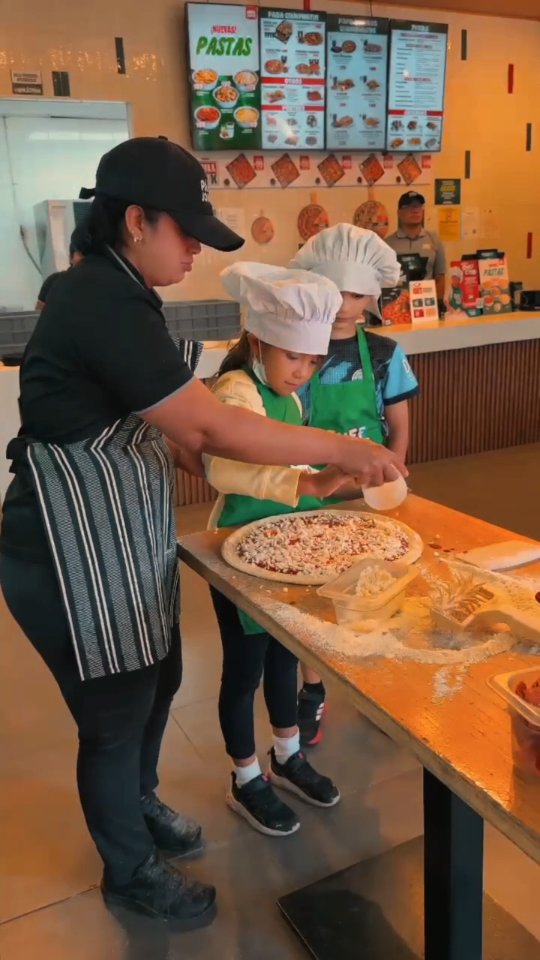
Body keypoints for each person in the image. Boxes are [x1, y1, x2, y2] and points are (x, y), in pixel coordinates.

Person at [0, 137, 407, 927]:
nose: (194, 249)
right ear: (135, 221)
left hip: (121, 536)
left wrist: (290, 477)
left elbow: (194, 444)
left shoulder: (125, 294)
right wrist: (341, 449)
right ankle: (129, 872)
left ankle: (140, 803)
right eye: (185, 232)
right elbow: (212, 429)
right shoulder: (100, 301)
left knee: (156, 679)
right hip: (71, 547)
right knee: (113, 716)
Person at [205, 262, 349, 837]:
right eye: (294, 358)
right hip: (237, 552)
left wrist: (325, 474)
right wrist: (308, 482)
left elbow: (291, 456)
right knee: (243, 672)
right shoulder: (236, 390)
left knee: (285, 657)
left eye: (313, 362)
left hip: (285, 547)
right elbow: (227, 467)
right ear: (259, 341)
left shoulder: (289, 392)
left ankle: (287, 755)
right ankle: (245, 779)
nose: (302, 372)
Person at [290, 224, 420, 746]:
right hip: (312, 494)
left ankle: (377, 685)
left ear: (373, 296)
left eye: (357, 294)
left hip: (372, 496)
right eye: (334, 292)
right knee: (315, 603)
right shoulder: (297, 351)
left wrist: (394, 470)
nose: (344, 306)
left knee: (379, 592)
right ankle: (313, 689)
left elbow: (399, 421)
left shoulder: (385, 353)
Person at [385, 191, 447, 303]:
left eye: (419, 206)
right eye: (409, 206)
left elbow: (440, 277)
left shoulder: (434, 240)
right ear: (399, 213)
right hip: (398, 306)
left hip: (426, 304)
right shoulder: (387, 244)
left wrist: (439, 304)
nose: (415, 210)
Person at [35, 220, 89, 310]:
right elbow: (38, 314)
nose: (86, 259)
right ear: (71, 257)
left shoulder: (103, 284)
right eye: (81, 254)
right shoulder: (53, 281)